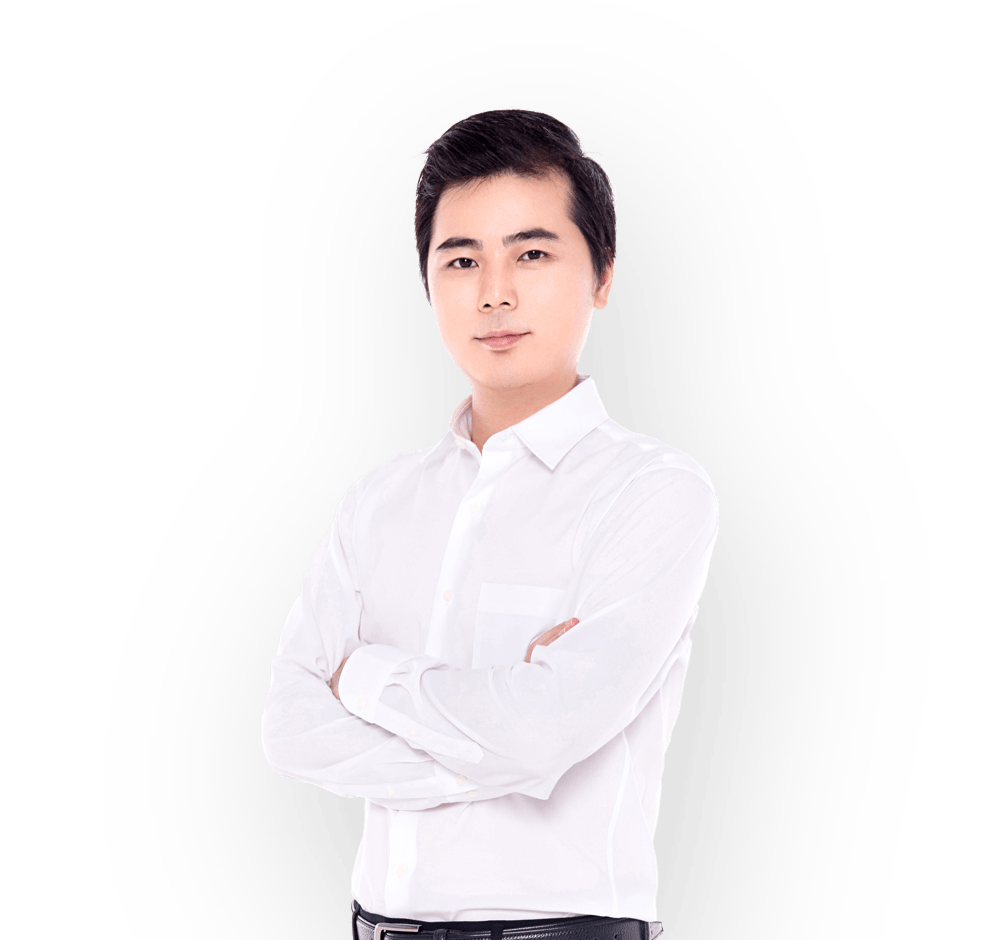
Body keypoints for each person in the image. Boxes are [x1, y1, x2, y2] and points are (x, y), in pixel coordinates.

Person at [259, 107, 720, 940]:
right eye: (462, 259)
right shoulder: (378, 500)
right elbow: (288, 730)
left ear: (603, 275)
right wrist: (503, 749)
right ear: (427, 283)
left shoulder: (653, 492)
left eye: (532, 254)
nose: (495, 292)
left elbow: (544, 731)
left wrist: (365, 678)